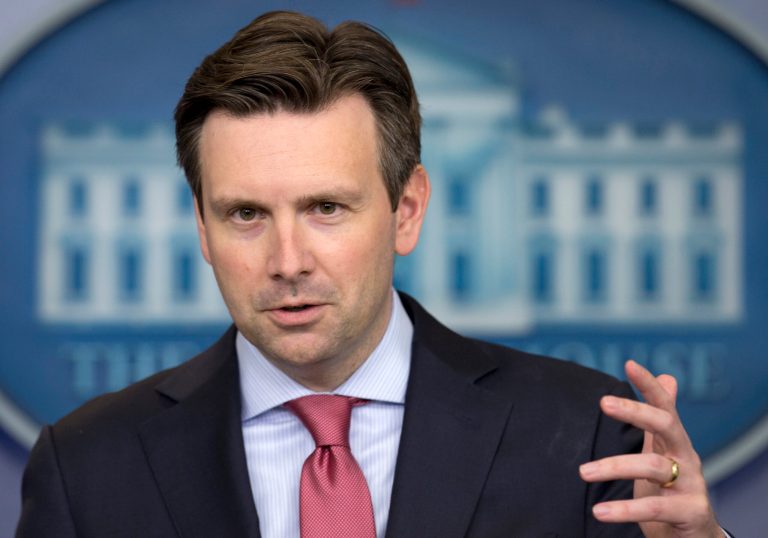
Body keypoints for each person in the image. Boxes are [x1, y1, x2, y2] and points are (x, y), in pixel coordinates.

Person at [17, 10, 727, 537]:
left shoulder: (587, 438)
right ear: (201, 226)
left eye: (326, 207)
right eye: (245, 215)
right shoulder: (85, 469)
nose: (287, 261)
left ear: (407, 210)